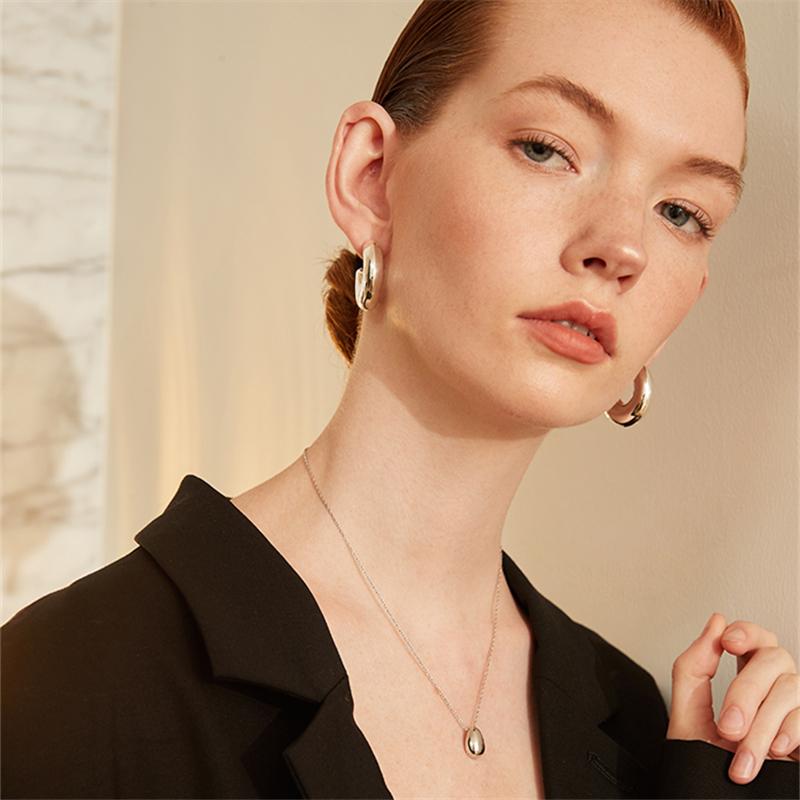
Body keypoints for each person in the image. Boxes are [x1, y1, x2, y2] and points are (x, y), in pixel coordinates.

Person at [2, 0, 798, 798]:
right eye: (547, 149)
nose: (622, 247)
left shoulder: (632, 726)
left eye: (681, 213)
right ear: (371, 177)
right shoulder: (64, 693)